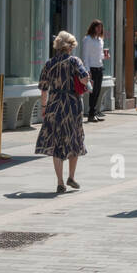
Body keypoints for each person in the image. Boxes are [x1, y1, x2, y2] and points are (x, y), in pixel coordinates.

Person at [35, 31, 90, 193]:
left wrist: (44, 107)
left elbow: (43, 88)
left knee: (56, 142)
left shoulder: (49, 63)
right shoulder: (74, 61)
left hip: (54, 104)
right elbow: (84, 78)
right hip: (72, 105)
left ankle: (60, 181)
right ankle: (71, 177)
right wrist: (85, 81)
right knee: (74, 139)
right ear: (70, 46)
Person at [82, 20, 106, 122]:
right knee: (92, 91)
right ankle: (91, 114)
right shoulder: (88, 39)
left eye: (101, 27)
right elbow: (85, 56)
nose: (99, 29)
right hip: (91, 68)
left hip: (99, 67)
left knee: (97, 91)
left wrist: (104, 56)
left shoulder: (100, 40)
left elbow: (100, 55)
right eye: (98, 27)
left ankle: (94, 112)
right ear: (93, 27)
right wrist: (87, 70)